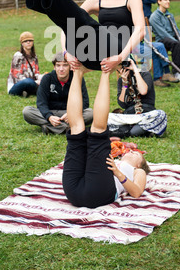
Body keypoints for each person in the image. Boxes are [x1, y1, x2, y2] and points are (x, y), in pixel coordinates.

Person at [20, 0, 145, 72]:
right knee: (72, 21)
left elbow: (140, 31)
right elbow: (68, 24)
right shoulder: (95, 1)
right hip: (91, 54)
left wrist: (120, 57)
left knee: (87, 23)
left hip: (117, 52)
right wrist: (66, 52)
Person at [62, 65, 149, 208]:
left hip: (99, 194)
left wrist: (117, 172)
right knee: (77, 131)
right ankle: (77, 72)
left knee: (94, 131)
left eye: (136, 155)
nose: (132, 151)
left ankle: (105, 72)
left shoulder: (138, 171)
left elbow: (137, 192)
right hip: (75, 191)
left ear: (139, 164)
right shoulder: (114, 159)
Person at [126, 0, 178, 87]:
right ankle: (161, 72)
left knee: (153, 45)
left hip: (146, 21)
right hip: (134, 24)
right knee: (152, 47)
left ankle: (162, 74)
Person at [23, 52, 93, 135]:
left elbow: (85, 102)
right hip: (51, 112)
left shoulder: (77, 78)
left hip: (70, 113)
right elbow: (41, 103)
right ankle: (66, 128)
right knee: (27, 111)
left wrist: (71, 114)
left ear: (70, 66)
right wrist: (49, 116)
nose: (61, 69)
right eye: (58, 65)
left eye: (65, 65)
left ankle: (49, 127)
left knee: (90, 113)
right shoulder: (47, 78)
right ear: (54, 67)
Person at [108, 58, 167, 138]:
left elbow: (143, 91)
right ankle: (140, 130)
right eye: (119, 65)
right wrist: (124, 84)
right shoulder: (120, 81)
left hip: (146, 114)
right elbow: (122, 104)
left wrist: (135, 70)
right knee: (108, 117)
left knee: (161, 114)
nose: (122, 67)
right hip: (130, 116)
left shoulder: (144, 74)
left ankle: (126, 131)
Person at [7, 31, 42, 96]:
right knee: (28, 82)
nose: (28, 42)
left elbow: (36, 73)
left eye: (30, 40)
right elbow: (17, 75)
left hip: (32, 83)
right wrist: (35, 82)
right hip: (17, 85)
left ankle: (28, 92)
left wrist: (41, 78)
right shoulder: (18, 56)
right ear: (22, 43)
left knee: (47, 77)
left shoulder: (34, 56)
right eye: (25, 41)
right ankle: (35, 90)